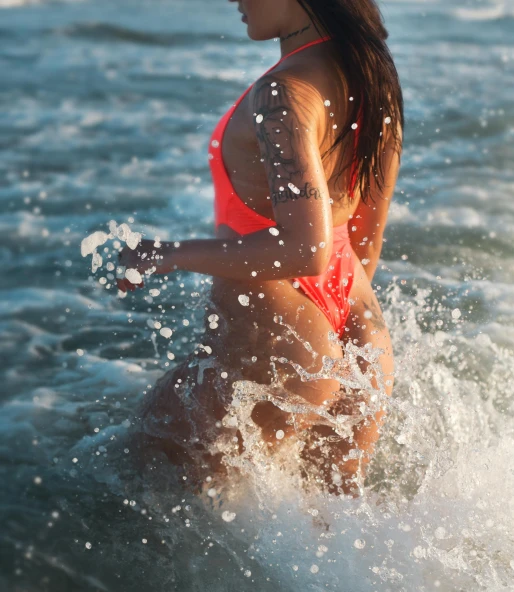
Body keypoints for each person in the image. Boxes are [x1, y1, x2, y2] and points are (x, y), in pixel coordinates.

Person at [117, 0, 404, 495]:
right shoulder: (372, 80)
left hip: (282, 329)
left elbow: (303, 251)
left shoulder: (282, 94)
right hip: (363, 335)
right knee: (333, 544)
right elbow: (363, 240)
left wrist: (169, 254)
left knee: (139, 467)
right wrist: (328, 346)